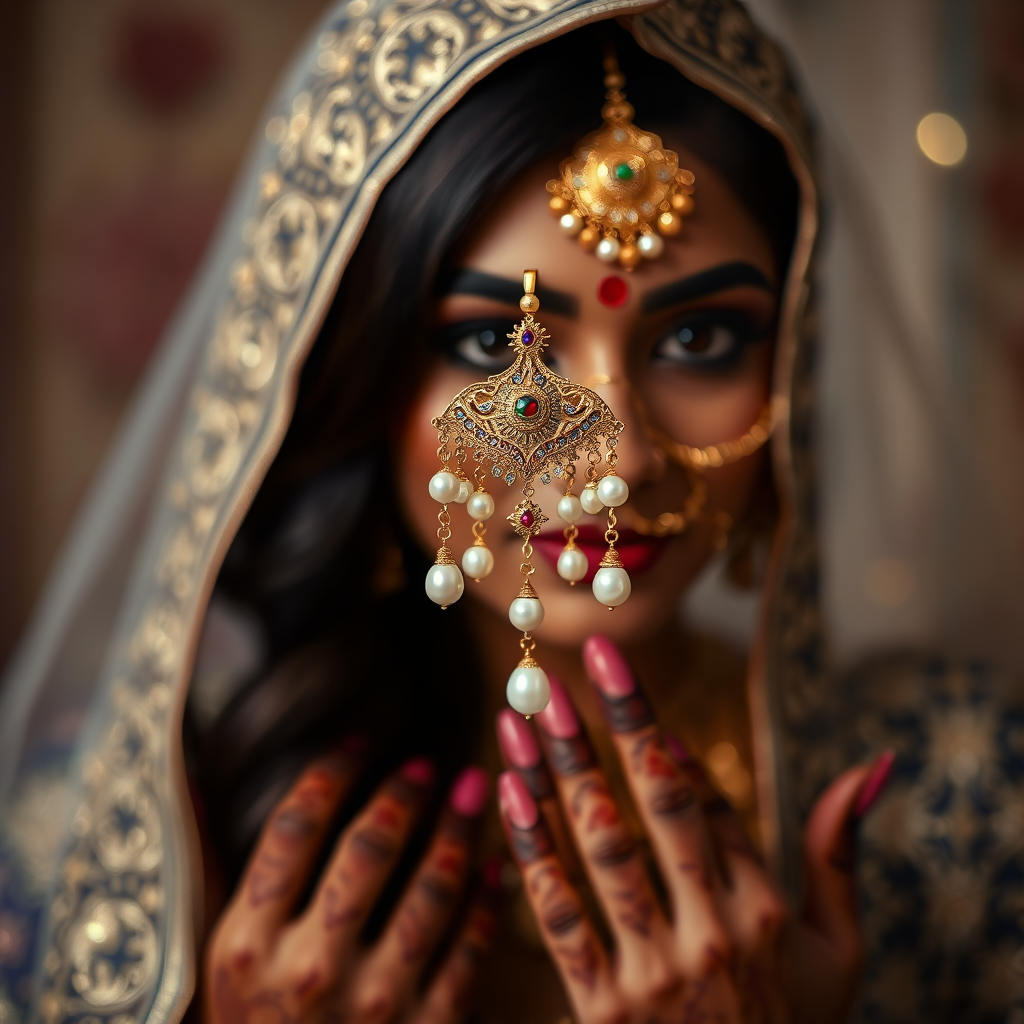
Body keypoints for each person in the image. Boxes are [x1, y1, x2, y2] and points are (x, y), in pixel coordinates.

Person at [0, 2, 893, 1022]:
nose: (623, 455)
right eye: (497, 351)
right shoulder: (121, 829)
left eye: (700, 341)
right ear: (359, 378)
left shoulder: (948, 799)